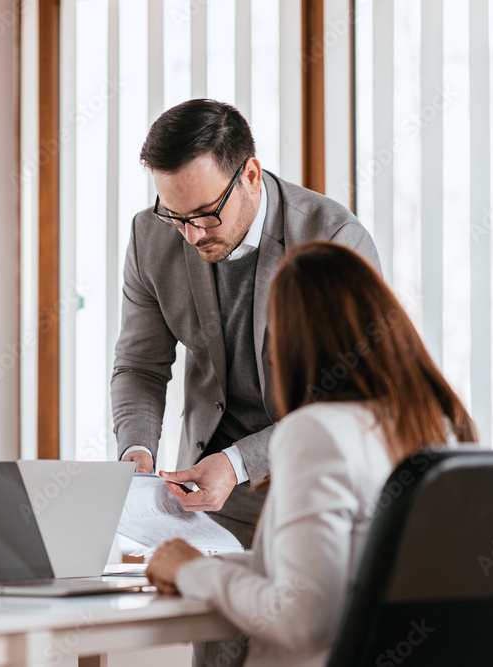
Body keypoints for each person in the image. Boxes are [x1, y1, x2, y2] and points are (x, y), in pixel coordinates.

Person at [145, 241, 478, 666]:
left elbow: (304, 618)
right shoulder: (441, 426)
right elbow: (341, 578)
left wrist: (192, 571)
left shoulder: (317, 432)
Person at [112, 99, 381, 548]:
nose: (192, 234)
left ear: (250, 176)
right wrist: (135, 450)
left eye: (204, 214)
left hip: (322, 498)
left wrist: (238, 463)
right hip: (205, 510)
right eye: (175, 216)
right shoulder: (149, 237)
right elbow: (140, 366)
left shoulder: (334, 240)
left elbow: (347, 401)